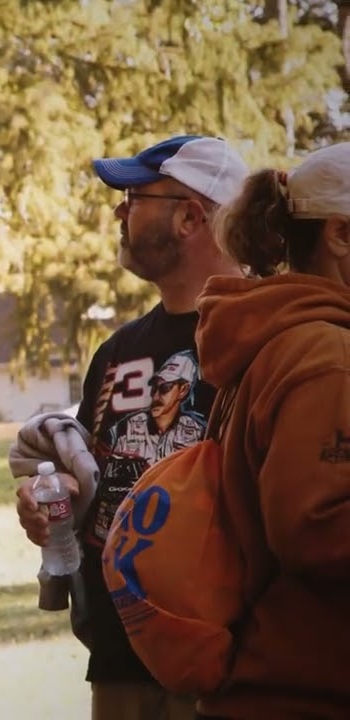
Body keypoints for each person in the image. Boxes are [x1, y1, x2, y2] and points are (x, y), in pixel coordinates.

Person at [14, 134, 247, 720]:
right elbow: (98, 479)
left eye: (136, 197)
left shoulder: (261, 340)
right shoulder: (118, 351)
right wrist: (57, 500)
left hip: (227, 668)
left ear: (190, 217)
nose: (120, 211)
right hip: (120, 661)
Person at [189, 142, 350, 718]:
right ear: (340, 235)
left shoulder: (284, 339)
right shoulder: (326, 354)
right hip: (303, 694)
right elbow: (315, 530)